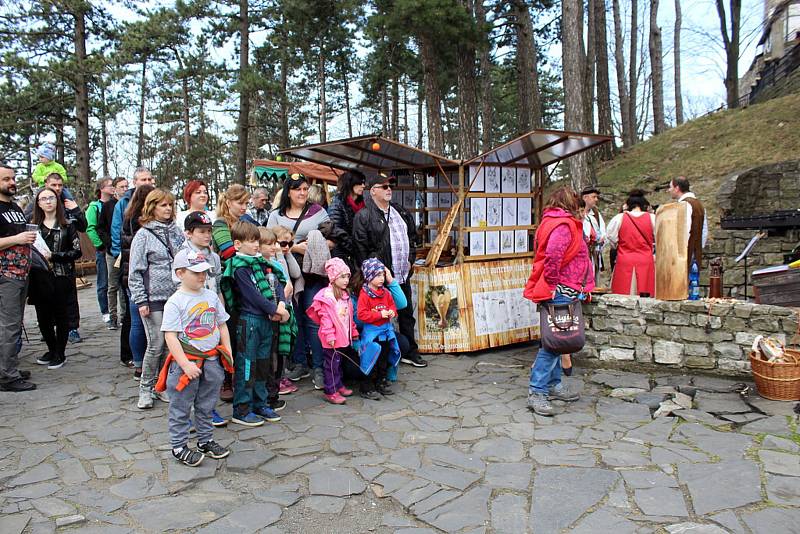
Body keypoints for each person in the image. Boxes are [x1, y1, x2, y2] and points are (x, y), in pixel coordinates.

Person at [156, 248, 233, 466]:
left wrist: (226, 350)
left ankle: (205, 439)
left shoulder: (210, 296)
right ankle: (179, 445)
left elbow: (221, 324)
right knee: (180, 406)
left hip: (211, 361)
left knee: (207, 403)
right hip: (186, 364)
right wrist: (184, 364)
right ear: (180, 273)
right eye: (195, 272)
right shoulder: (175, 302)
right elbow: (170, 337)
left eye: (204, 272)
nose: (202, 276)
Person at [523, 186, 594, 417]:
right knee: (555, 343)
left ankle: (552, 385)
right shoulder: (563, 226)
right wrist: (554, 285)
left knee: (555, 341)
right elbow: (554, 256)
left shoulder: (554, 222)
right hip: (562, 290)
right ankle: (537, 391)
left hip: (562, 288)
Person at [220, 221, 293, 426]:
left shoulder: (263, 263)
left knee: (263, 365)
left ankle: (260, 403)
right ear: (237, 244)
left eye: (256, 241)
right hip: (250, 321)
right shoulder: (238, 267)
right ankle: (242, 409)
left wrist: (281, 303)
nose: (255, 245)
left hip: (267, 321)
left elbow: (278, 283)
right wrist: (275, 310)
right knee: (247, 365)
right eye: (251, 241)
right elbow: (252, 296)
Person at [352, 173, 427, 368]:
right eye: (383, 186)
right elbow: (361, 249)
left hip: (402, 274)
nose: (389, 189)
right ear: (373, 191)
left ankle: (410, 351)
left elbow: (412, 239)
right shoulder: (364, 216)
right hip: (379, 278)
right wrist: (375, 274)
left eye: (390, 186)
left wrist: (411, 260)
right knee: (380, 317)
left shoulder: (400, 212)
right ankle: (382, 357)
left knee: (406, 313)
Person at [267, 174, 332, 389]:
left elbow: (333, 238)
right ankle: (300, 362)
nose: (302, 193)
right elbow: (268, 241)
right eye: (297, 189)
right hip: (286, 273)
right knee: (294, 319)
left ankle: (319, 367)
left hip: (314, 273)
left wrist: (315, 246)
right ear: (288, 192)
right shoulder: (275, 215)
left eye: (305, 189)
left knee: (313, 318)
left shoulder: (318, 212)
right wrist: (294, 247)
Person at [129, 189, 185, 409]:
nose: (167, 209)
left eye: (170, 205)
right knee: (156, 344)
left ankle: (162, 386)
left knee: (173, 345)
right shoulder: (143, 235)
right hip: (153, 298)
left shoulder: (177, 232)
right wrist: (141, 300)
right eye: (163, 205)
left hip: (176, 297)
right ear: (152, 207)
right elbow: (135, 271)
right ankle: (145, 387)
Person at [179, 210, 226, 426]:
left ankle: (207, 410)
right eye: (201, 231)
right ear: (189, 233)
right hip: (190, 320)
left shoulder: (213, 257)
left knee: (211, 370)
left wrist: (220, 310)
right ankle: (187, 413)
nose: (207, 235)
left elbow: (216, 286)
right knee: (190, 369)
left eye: (209, 231)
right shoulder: (183, 256)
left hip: (210, 317)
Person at [29, 187, 82, 370]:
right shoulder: (33, 226)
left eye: (51, 198)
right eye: (44, 199)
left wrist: (54, 255)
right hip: (39, 277)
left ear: (57, 201)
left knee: (61, 316)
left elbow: (77, 251)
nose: (48, 201)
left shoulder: (67, 224)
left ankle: (61, 352)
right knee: (43, 317)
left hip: (62, 276)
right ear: (38, 203)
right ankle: (51, 349)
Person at [212, 184, 252, 402]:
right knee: (227, 334)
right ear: (228, 202)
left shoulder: (245, 222)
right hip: (227, 286)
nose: (245, 206)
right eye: (241, 202)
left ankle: (240, 378)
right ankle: (227, 379)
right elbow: (228, 251)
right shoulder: (220, 224)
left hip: (243, 283)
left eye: (247, 203)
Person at [0, 164, 37, 392]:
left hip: (21, 272)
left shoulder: (13, 206)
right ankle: (7, 377)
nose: (12, 182)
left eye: (13, 178)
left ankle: (7, 366)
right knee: (9, 326)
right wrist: (19, 238)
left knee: (13, 324)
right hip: (6, 274)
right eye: (6, 179)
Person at [307, 257, 357, 405]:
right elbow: (325, 319)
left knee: (338, 362)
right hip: (332, 338)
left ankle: (338, 384)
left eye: (347, 276)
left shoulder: (345, 295)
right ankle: (331, 390)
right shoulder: (327, 297)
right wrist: (329, 335)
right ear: (333, 278)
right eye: (342, 276)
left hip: (342, 336)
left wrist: (353, 331)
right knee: (331, 364)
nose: (346, 280)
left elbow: (349, 317)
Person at [120, 184, 156, 380]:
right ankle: (143, 364)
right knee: (140, 323)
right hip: (140, 277)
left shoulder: (128, 218)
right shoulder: (142, 223)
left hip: (127, 274)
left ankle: (138, 364)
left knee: (135, 322)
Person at [257, 226, 294, 410]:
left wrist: (283, 307)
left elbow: (286, 286)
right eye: (269, 244)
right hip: (266, 317)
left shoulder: (276, 264)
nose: (274, 247)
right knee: (268, 359)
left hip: (281, 314)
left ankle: (274, 393)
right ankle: (267, 396)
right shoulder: (255, 267)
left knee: (278, 357)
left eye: (274, 243)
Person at [356, 258, 401, 400]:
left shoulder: (386, 293)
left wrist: (393, 312)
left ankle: (381, 381)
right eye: (377, 275)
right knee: (370, 359)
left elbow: (393, 306)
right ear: (369, 277)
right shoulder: (364, 295)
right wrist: (379, 314)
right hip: (372, 335)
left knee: (384, 358)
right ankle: (366, 386)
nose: (381, 278)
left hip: (386, 332)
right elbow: (362, 315)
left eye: (382, 275)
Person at [607, 190, 656, 296]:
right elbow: (660, 237)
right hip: (645, 261)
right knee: (646, 297)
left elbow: (611, 238)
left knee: (622, 296)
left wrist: (618, 245)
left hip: (624, 261)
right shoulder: (652, 218)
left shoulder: (619, 218)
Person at [98, 177, 129, 333]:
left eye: (126, 186)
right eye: (121, 187)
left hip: (126, 251)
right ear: (115, 189)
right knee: (112, 285)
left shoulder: (129, 204)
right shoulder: (108, 206)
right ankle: (113, 316)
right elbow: (101, 228)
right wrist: (109, 244)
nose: (124, 189)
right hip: (112, 252)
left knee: (125, 285)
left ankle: (124, 316)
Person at [86, 177, 114, 327]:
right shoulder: (94, 207)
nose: (112, 188)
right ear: (101, 189)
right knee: (103, 282)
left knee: (113, 282)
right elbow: (90, 228)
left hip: (114, 248)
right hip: (102, 250)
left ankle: (115, 311)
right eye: (109, 186)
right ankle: (105, 312)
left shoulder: (115, 205)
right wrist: (100, 245)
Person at [327, 170, 366, 269]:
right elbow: (335, 230)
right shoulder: (337, 203)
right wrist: (354, 247)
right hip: (343, 254)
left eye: (364, 183)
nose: (363, 186)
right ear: (350, 183)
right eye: (360, 183)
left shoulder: (362, 204)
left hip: (359, 254)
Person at [668, 176, 707, 272]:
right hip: (695, 252)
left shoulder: (684, 205)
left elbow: (684, 230)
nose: (669, 190)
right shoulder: (699, 204)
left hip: (686, 254)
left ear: (677, 188)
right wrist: (698, 248)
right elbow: (705, 231)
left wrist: (679, 253)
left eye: (670, 187)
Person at [581, 186, 606, 286]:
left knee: (594, 281)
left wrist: (601, 239)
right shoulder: (577, 214)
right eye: (594, 197)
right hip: (582, 253)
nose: (596, 199)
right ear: (585, 197)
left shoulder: (595, 213)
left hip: (594, 253)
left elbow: (603, 231)